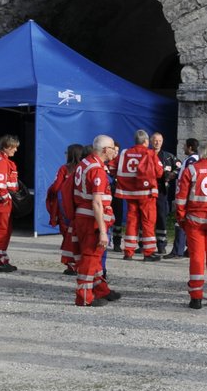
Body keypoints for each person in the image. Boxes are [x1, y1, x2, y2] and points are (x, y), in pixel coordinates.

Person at [174, 141, 207, 309]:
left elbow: (181, 197)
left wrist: (181, 217)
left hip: (194, 221)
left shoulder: (192, 169)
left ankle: (196, 298)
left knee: (197, 257)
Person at [72, 136, 122, 306]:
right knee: (90, 256)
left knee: (95, 256)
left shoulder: (85, 163)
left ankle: (100, 288)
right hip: (91, 220)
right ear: (104, 150)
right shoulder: (97, 170)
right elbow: (97, 202)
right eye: (112, 148)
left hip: (84, 217)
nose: (114, 151)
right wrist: (102, 231)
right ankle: (84, 296)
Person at [116, 130, 164, 261]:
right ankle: (148, 252)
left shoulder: (125, 153)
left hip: (129, 194)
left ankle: (128, 252)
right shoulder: (150, 153)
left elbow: (114, 168)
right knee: (148, 221)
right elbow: (159, 173)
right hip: (146, 193)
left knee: (132, 221)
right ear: (146, 141)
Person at [46, 143, 84, 274]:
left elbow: (56, 187)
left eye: (66, 152)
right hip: (81, 207)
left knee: (67, 235)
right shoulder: (84, 168)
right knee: (80, 235)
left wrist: (50, 191)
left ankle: (72, 264)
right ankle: (81, 263)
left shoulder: (64, 169)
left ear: (71, 154)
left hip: (65, 208)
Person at [0, 134, 21, 272]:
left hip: (2, 201)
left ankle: (2, 259)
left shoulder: (3, 160)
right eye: (14, 147)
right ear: (7, 146)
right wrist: (6, 199)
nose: (16, 150)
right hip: (0, 201)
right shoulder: (1, 161)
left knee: (6, 230)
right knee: (1, 230)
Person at [167, 138, 199, 258]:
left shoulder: (192, 160)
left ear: (190, 147)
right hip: (189, 196)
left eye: (185, 146)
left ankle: (177, 251)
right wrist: (173, 175)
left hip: (186, 196)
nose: (183, 148)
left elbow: (187, 177)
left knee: (180, 222)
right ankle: (189, 249)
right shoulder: (194, 159)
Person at [151, 131, 178, 251]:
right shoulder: (146, 155)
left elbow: (180, 168)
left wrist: (171, 175)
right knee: (146, 218)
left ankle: (161, 245)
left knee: (161, 217)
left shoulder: (168, 157)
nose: (157, 143)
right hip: (147, 192)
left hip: (162, 191)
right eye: (155, 140)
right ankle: (143, 244)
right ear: (151, 141)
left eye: (160, 141)